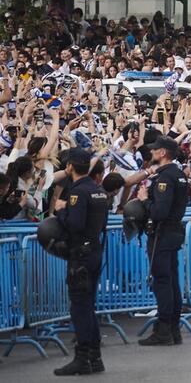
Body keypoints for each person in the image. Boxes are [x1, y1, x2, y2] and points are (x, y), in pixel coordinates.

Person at [53, 149, 109, 376]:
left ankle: (83, 357)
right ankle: (94, 358)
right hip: (94, 251)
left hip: (81, 255)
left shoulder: (77, 192)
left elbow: (75, 224)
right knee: (88, 306)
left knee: (80, 307)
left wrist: (61, 211)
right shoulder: (98, 190)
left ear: (70, 167)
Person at [137, 136, 190, 346]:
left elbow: (159, 211)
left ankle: (164, 329)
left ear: (163, 153)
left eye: (155, 150)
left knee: (162, 282)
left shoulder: (166, 178)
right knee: (171, 281)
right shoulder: (178, 175)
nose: (151, 153)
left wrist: (144, 200)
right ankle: (173, 329)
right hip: (173, 231)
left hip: (162, 233)